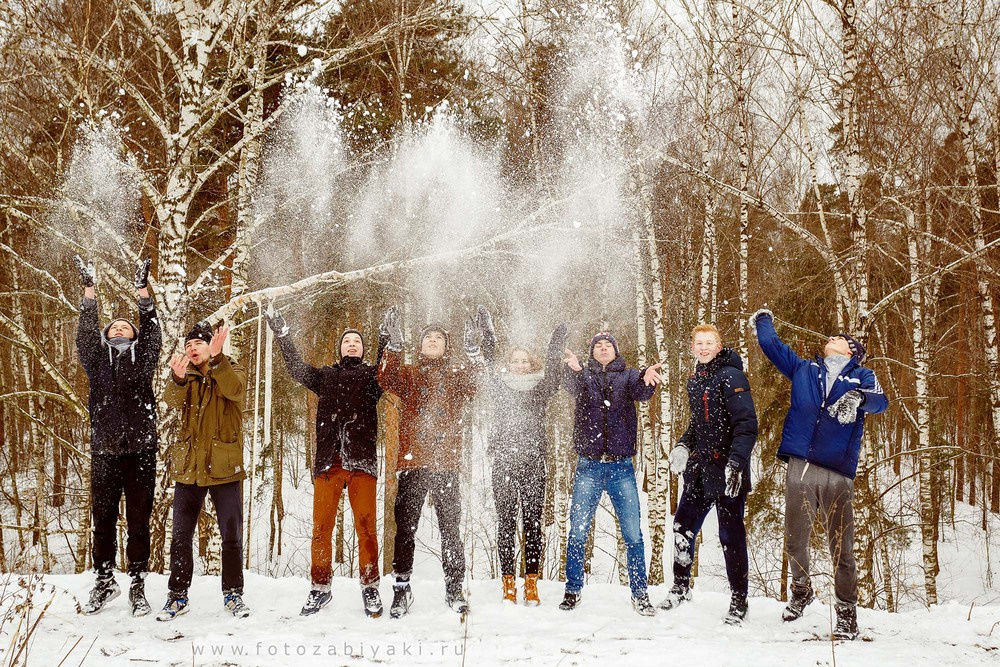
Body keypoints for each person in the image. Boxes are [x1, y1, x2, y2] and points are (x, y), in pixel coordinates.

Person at [750, 308, 888, 640]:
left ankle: (846, 613)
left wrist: (857, 397)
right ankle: (801, 590)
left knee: (841, 545)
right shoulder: (804, 369)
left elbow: (880, 402)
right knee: (795, 538)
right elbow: (771, 345)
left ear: (853, 350)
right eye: (831, 337)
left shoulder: (862, 376)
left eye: (840, 338)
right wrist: (763, 318)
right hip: (802, 464)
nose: (832, 339)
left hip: (838, 471)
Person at [266, 311, 384, 617]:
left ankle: (370, 588)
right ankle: (320, 589)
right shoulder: (326, 377)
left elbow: (387, 368)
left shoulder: (373, 377)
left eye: (357, 341)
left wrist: (385, 340)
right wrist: (283, 334)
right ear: (340, 349)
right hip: (329, 462)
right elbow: (295, 368)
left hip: (362, 462)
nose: (352, 344)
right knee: (321, 529)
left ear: (363, 348)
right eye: (347, 341)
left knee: (366, 529)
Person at [376, 305, 490, 617]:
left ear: (446, 346)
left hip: (447, 464)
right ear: (420, 344)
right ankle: (401, 590)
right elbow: (385, 378)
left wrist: (473, 351)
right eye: (428, 337)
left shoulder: (456, 375)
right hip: (413, 464)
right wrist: (394, 345)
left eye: (439, 337)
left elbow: (478, 384)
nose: (433, 340)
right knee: (405, 529)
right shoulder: (409, 373)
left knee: (451, 529)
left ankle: (454, 590)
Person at [74, 256, 161, 616]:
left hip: (141, 451)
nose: (121, 329)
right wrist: (89, 291)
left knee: (140, 521)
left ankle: (138, 584)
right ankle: (105, 580)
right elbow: (84, 334)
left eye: (127, 326)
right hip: (105, 452)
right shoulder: (97, 361)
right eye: (115, 327)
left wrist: (143, 292)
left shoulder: (143, 360)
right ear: (107, 335)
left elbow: (154, 331)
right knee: (103, 519)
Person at [658, 324, 757, 625]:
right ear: (692, 347)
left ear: (718, 345)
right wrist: (683, 446)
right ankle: (680, 587)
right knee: (682, 527)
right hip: (700, 470)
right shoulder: (697, 379)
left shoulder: (731, 376)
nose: (703, 347)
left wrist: (736, 464)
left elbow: (746, 426)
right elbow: (699, 425)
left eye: (709, 342)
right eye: (698, 342)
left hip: (728, 471)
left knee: (731, 536)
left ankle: (739, 600)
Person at [559, 332, 662, 616]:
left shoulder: (628, 376)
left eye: (608, 345)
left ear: (615, 351)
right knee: (578, 532)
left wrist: (647, 379)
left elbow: (642, 392)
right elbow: (569, 386)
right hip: (588, 466)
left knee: (633, 535)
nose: (603, 349)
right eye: (598, 346)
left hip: (621, 468)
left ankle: (640, 593)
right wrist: (574, 368)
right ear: (592, 353)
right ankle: (572, 589)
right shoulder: (584, 376)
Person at [157, 320, 249, 621]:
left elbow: (235, 391)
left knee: (231, 535)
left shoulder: (231, 369)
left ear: (212, 345)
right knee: (181, 536)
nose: (192, 348)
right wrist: (178, 379)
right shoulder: (188, 378)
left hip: (225, 469)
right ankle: (177, 595)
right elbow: (171, 402)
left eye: (198, 343)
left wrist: (219, 359)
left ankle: (233, 594)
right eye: (188, 345)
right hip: (190, 469)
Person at [484, 321, 567, 605]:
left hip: (533, 463)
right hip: (504, 464)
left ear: (531, 364)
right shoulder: (500, 388)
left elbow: (555, 374)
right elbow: (486, 364)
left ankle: (531, 582)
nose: (520, 365)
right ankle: (508, 583)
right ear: (509, 364)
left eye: (524, 361)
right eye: (515, 361)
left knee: (532, 523)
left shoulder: (539, 389)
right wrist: (487, 334)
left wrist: (556, 342)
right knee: (506, 523)